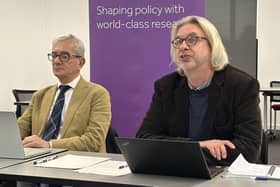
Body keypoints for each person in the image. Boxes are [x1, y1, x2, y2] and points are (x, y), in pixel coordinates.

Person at [136, 16, 262, 166]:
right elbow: (144, 139)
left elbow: (248, 150)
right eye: (178, 41)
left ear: (212, 45)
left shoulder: (241, 85)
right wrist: (198, 145)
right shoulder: (166, 86)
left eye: (192, 39)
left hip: (224, 176)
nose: (183, 46)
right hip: (178, 174)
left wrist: (178, 151)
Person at [18, 34, 111, 152]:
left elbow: (94, 140)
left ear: (81, 62)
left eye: (64, 56)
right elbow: (18, 130)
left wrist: (49, 145)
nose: (56, 61)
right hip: (37, 160)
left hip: (77, 162)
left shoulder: (97, 94)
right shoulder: (40, 96)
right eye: (54, 55)